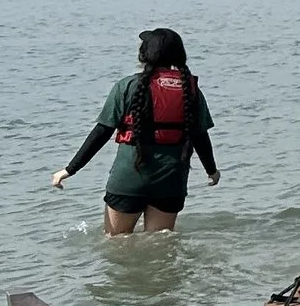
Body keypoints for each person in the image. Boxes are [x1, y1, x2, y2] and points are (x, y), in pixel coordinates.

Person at [52, 28, 219, 235]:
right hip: (170, 181)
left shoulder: (127, 86)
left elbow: (101, 132)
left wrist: (69, 169)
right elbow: (200, 137)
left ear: (144, 54)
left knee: (116, 243)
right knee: (160, 246)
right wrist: (211, 170)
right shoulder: (189, 89)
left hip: (128, 179)